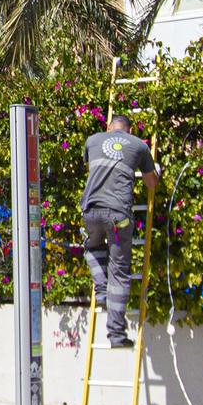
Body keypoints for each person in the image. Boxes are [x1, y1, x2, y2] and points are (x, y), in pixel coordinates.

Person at [81, 113, 159, 349]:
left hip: (91, 211)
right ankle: (116, 334)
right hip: (118, 217)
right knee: (120, 272)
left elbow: (91, 170)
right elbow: (151, 183)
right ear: (130, 129)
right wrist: (157, 170)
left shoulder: (93, 140)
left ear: (109, 127)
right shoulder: (139, 146)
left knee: (92, 248)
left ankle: (102, 290)